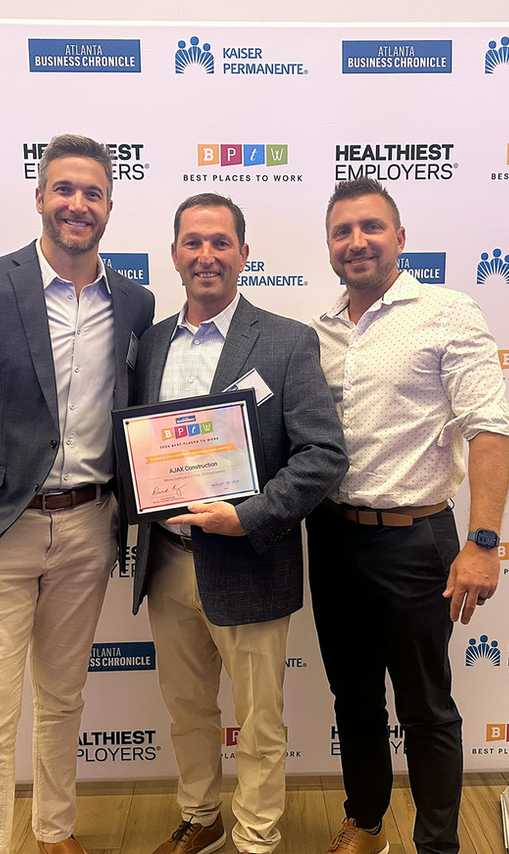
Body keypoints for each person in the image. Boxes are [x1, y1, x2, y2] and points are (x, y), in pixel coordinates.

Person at [0, 134, 154, 854]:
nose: (78, 204)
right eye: (64, 189)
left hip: (87, 528)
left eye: (93, 192)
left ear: (109, 206)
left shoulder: (134, 302)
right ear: (40, 196)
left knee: (64, 698)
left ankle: (55, 832)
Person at [130, 193, 347, 854]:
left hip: (250, 561)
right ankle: (201, 816)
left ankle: (256, 837)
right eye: (193, 242)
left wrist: (247, 516)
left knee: (258, 722)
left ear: (244, 254)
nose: (206, 255)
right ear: (174, 254)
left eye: (221, 242)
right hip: (167, 562)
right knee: (187, 710)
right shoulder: (149, 345)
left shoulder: (286, 341)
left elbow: (323, 455)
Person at [307, 178, 509, 854]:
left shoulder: (447, 312)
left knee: (426, 708)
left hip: (416, 542)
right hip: (332, 538)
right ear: (329, 246)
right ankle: (367, 825)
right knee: (353, 700)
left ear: (399, 238)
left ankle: (437, 847)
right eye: (342, 231)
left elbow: (489, 426)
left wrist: (483, 541)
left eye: (371, 227)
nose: (356, 241)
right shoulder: (317, 332)